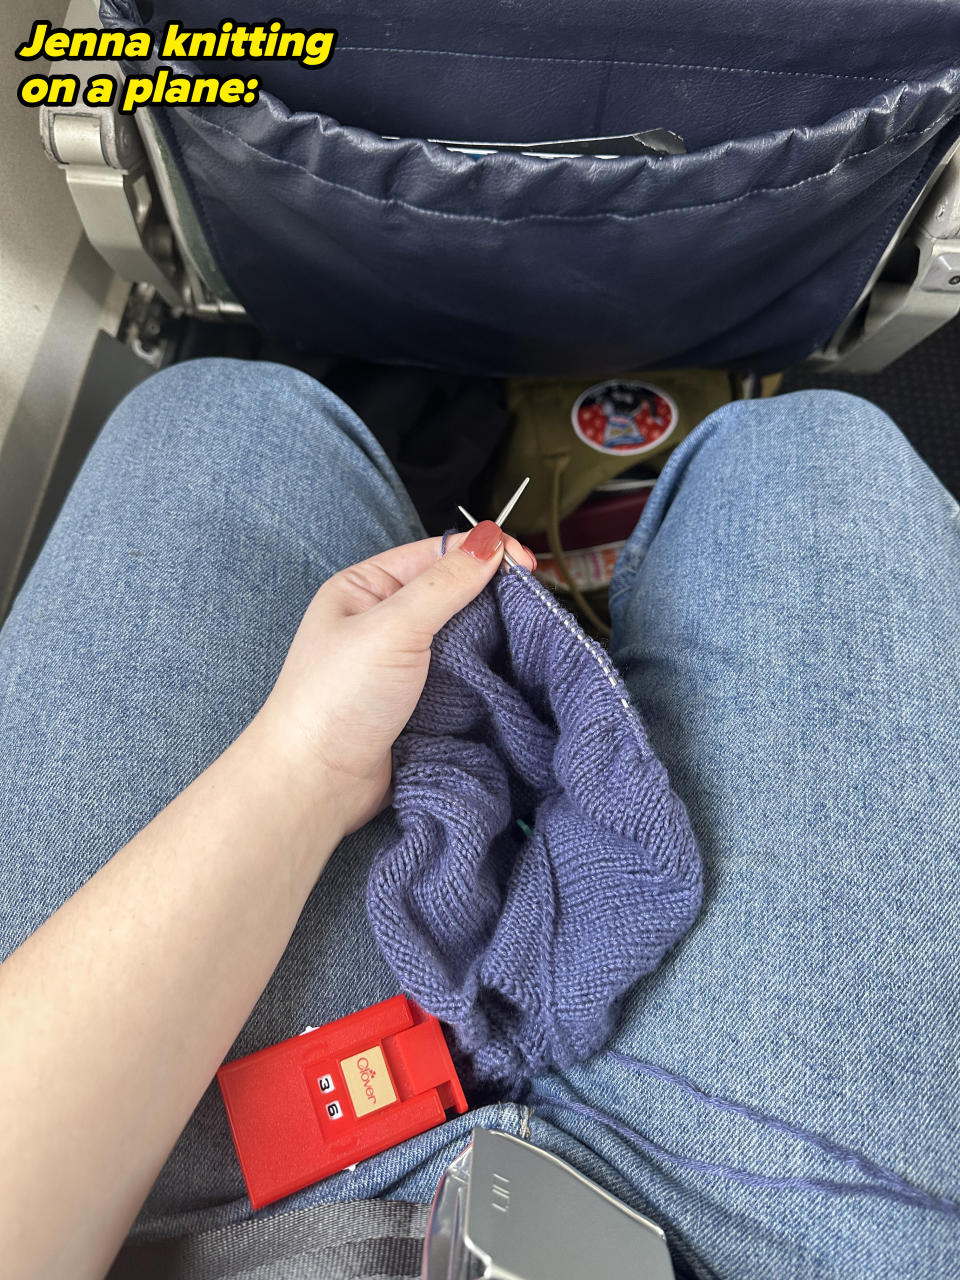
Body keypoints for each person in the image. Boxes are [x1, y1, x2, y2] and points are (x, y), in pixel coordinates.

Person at [0, 360, 957, 1280]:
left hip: (149, 1207)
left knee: (218, 418)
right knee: (810, 458)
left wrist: (308, 769)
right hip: (752, 1243)